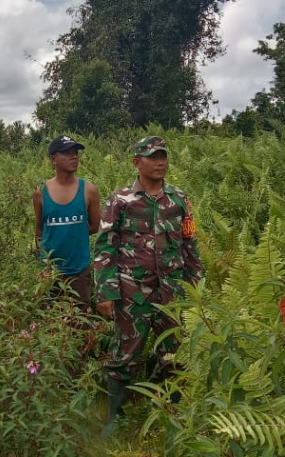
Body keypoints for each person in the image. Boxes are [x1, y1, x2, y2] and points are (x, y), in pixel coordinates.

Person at [93, 136, 203, 437]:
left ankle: (173, 415)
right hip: (132, 291)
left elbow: (189, 243)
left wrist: (196, 283)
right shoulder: (120, 200)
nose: (160, 162)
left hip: (172, 290)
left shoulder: (179, 199)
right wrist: (106, 291)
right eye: (153, 156)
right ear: (136, 162)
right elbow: (105, 247)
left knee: (174, 353)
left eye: (163, 156)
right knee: (124, 355)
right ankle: (112, 418)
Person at [32, 135, 101, 312]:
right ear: (53, 159)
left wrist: (73, 233)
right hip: (49, 272)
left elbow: (94, 226)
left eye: (76, 153)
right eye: (67, 153)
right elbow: (39, 229)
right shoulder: (41, 192)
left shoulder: (89, 190)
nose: (74, 157)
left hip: (79, 271)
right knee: (49, 321)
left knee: (80, 324)